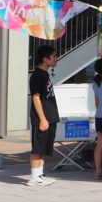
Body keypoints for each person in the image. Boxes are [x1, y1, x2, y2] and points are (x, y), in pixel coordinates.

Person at [27, 45, 60, 187]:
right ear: (45, 59)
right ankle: (34, 177)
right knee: (38, 148)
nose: (56, 59)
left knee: (45, 148)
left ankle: (39, 174)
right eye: (54, 56)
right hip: (42, 117)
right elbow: (35, 97)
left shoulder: (45, 74)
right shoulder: (37, 75)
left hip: (50, 116)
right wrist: (42, 119)